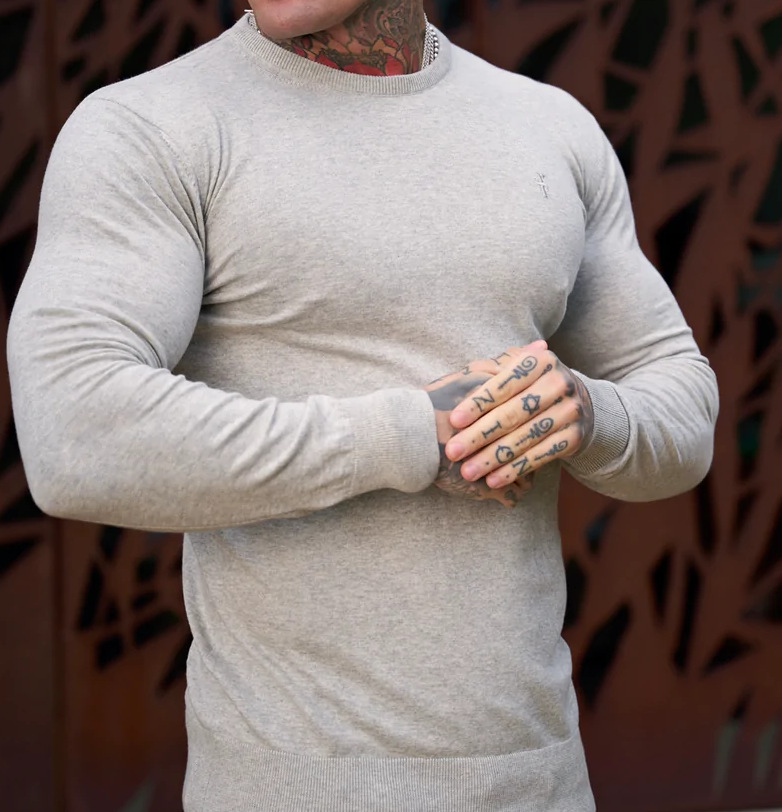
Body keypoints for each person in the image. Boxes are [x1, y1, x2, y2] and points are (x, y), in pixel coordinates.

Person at [6, 0, 719, 809]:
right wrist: (410, 436)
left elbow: (680, 403)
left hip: (544, 785)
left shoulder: (549, 126)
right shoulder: (151, 127)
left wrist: (582, 414)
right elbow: (76, 435)